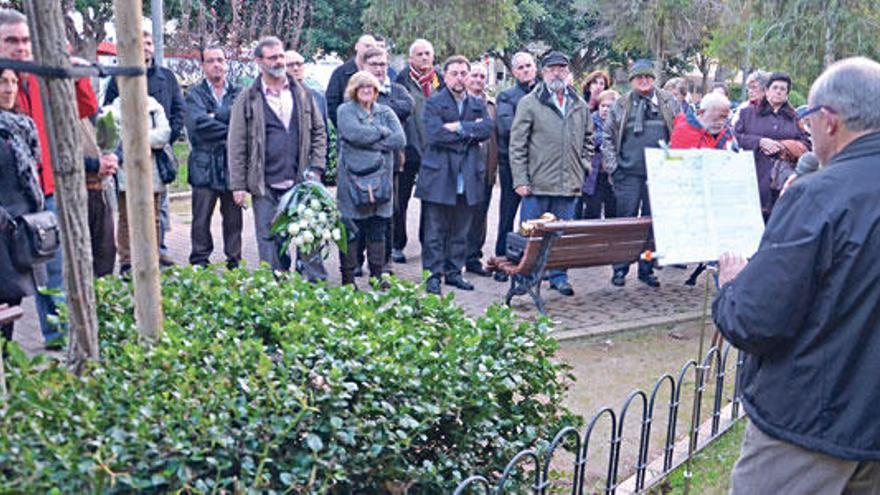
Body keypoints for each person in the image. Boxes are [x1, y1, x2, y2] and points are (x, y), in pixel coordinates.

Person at [713, 57, 880, 494]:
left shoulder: (819, 195)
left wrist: (732, 285)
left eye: (807, 118)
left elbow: (756, 321)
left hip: (809, 428)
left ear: (829, 121)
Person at [0, 8, 98, 348]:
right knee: (6, 287)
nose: (21, 47)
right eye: (11, 40)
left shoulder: (44, 76)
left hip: (43, 193)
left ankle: (57, 341)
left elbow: (84, 107)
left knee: (52, 272)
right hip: (5, 202)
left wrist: (69, 67)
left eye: (26, 40)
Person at [227, 36, 327, 278]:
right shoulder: (247, 98)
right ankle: (276, 297)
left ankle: (316, 297)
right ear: (259, 61)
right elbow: (236, 143)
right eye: (272, 57)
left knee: (310, 243)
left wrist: (316, 168)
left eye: (281, 56)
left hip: (302, 182)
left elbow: (320, 132)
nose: (279, 61)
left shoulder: (302, 93)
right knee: (271, 246)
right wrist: (238, 185)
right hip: (265, 186)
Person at [509, 51, 593, 297]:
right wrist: (521, 180)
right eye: (552, 69)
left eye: (562, 68)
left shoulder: (579, 104)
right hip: (537, 184)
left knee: (561, 237)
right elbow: (517, 145)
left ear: (568, 73)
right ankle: (524, 278)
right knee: (530, 236)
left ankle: (559, 277)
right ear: (543, 73)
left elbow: (589, 139)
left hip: (569, 184)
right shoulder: (530, 103)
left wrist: (583, 165)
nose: (557, 73)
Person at [104, 22, 184, 267]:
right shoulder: (117, 80)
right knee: (127, 215)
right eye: (142, 44)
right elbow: (107, 123)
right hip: (126, 162)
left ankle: (156, 253)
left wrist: (160, 144)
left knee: (157, 213)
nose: (146, 48)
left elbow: (178, 113)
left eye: (149, 44)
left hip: (158, 159)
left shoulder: (167, 77)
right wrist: (129, 145)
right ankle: (128, 260)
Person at [416, 55, 493, 295]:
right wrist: (470, 133)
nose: (459, 78)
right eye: (454, 73)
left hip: (468, 177)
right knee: (435, 231)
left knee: (461, 231)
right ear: (445, 76)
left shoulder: (478, 103)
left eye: (463, 73)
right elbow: (435, 134)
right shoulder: (434, 102)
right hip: (440, 176)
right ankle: (432, 276)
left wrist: (458, 127)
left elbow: (487, 129)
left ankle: (453, 273)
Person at [603, 59, 680, 288]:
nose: (644, 81)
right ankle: (620, 269)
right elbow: (607, 137)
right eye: (639, 77)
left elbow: (680, 132)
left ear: (654, 79)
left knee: (651, 225)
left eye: (647, 77)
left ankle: (646, 269)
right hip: (627, 173)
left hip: (659, 175)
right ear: (632, 81)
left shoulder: (668, 101)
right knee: (625, 223)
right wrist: (613, 167)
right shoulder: (622, 104)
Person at [335, 71, 405, 286]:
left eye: (371, 87)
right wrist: (381, 133)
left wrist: (369, 141)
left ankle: (377, 276)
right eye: (362, 86)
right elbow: (354, 133)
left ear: (376, 90)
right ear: (354, 90)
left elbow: (399, 139)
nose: (367, 90)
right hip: (351, 180)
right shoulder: (345, 110)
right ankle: (348, 280)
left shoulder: (386, 111)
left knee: (378, 228)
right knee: (350, 230)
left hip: (381, 181)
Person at [184, 45, 243, 269]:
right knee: (200, 219)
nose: (216, 64)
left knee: (233, 219)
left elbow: (242, 123)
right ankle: (199, 260)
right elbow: (197, 125)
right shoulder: (194, 94)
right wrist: (228, 123)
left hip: (231, 164)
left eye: (220, 60)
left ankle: (234, 261)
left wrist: (213, 117)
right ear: (203, 65)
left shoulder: (238, 93)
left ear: (226, 63)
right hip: (203, 164)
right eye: (211, 60)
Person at [0, 68, 45, 348]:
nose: (9, 88)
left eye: (14, 82)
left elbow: (33, 173)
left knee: (12, 299)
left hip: (18, 229)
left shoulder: (23, 126)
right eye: (2, 81)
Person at [359, 47, 414, 274]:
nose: (380, 69)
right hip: (360, 165)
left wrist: (376, 116)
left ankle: (384, 261)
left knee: (388, 213)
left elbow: (407, 107)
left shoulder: (399, 90)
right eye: (375, 65)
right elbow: (355, 127)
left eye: (383, 64)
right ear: (364, 67)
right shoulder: (355, 91)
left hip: (391, 164)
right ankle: (357, 261)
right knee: (360, 212)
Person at [104, 94, 171, 274]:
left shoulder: (154, 105)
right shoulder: (114, 107)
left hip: (152, 172)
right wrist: (146, 139)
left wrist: (135, 138)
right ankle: (126, 261)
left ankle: (153, 257)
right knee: (126, 218)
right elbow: (115, 138)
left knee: (154, 218)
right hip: (126, 172)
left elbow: (164, 134)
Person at [393, 38, 444, 264]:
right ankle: (397, 244)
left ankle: (428, 243)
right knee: (400, 200)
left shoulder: (439, 80)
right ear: (411, 58)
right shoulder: (401, 80)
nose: (424, 57)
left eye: (428, 54)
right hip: (407, 150)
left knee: (431, 202)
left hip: (432, 151)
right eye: (420, 54)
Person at [734, 72, 810, 218]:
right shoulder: (747, 114)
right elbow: (736, 138)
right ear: (766, 91)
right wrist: (759, 141)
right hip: (754, 178)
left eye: (783, 89)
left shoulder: (793, 118)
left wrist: (785, 146)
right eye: (775, 87)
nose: (779, 91)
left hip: (783, 183)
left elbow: (806, 143)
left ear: (787, 94)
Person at [493, 51, 537, 282]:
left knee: (534, 217)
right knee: (508, 214)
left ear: (536, 67)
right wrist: (538, 131)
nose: (525, 70)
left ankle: (530, 262)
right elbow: (507, 127)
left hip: (539, 164)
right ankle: (502, 261)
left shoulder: (545, 93)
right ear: (513, 72)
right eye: (520, 67)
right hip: (511, 162)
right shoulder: (506, 96)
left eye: (529, 65)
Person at [464, 62, 498, 277]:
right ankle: (453, 259)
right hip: (464, 169)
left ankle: (474, 257)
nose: (478, 80)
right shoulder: (459, 103)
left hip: (486, 169)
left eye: (482, 77)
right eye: (474, 75)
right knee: (460, 216)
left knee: (480, 216)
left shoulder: (492, 105)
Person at [581, 89, 619, 219]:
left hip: (612, 173)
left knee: (613, 210)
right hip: (594, 174)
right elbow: (589, 138)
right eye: (603, 106)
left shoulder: (619, 123)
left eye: (609, 106)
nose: (605, 109)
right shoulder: (591, 120)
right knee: (592, 209)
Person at [325, 34, 377, 128]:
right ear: (357, 46)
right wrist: (345, 127)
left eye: (373, 47)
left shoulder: (377, 73)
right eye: (367, 46)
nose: (370, 49)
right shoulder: (340, 73)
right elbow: (331, 104)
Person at [669, 92, 736, 150]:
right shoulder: (683, 131)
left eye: (724, 118)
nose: (721, 122)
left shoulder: (727, 133)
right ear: (701, 112)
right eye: (716, 118)